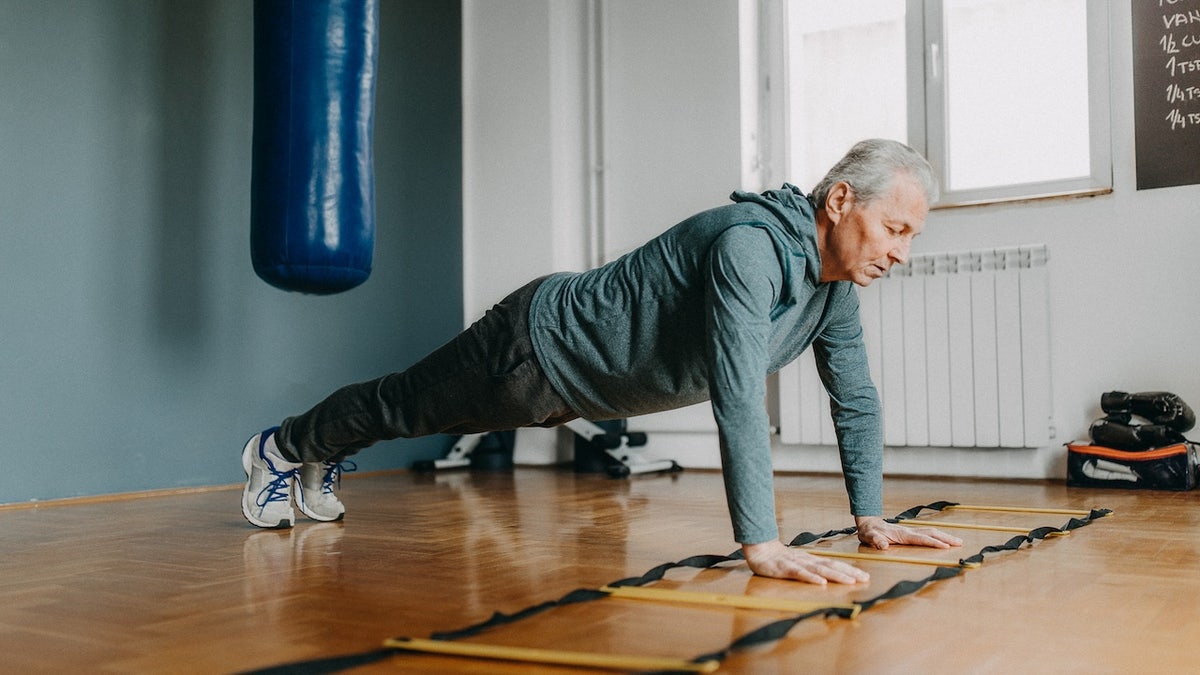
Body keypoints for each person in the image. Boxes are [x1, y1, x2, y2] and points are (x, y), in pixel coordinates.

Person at [241, 138, 963, 585]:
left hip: (570, 389)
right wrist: (761, 543)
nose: (900, 252)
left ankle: (316, 450)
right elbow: (739, 394)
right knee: (401, 405)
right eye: (895, 228)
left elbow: (856, 397)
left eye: (910, 236)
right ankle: (283, 446)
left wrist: (871, 514)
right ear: (840, 201)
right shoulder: (750, 248)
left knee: (403, 409)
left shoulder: (830, 289)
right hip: (531, 346)